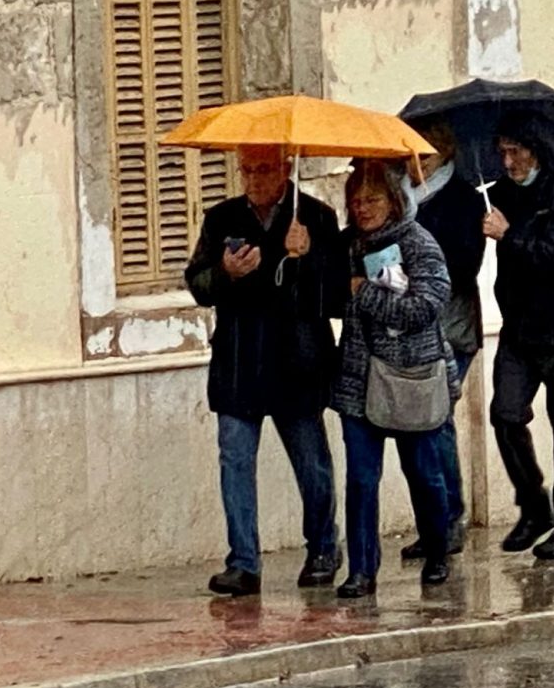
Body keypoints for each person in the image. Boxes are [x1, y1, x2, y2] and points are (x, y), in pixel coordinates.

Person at [185, 144, 344, 596]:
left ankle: (323, 548)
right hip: (239, 361)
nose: (253, 179)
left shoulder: (315, 215)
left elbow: (334, 296)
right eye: (246, 170)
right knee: (234, 459)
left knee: (311, 463)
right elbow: (197, 283)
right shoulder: (222, 219)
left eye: (263, 169)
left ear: (285, 167)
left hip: (296, 362)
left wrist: (308, 255)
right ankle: (244, 563)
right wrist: (225, 272)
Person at [332, 159, 460, 598]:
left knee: (424, 474)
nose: (362, 208)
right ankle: (362, 571)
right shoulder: (347, 245)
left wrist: (365, 293)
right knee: (362, 480)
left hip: (411, 377)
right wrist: (300, 255)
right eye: (355, 200)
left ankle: (439, 550)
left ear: (394, 200)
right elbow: (326, 297)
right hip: (358, 380)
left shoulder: (419, 244)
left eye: (372, 199)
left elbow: (423, 307)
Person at [481, 110, 554, 559]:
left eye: (516, 152)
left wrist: (508, 236)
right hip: (520, 328)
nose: (508, 162)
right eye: (503, 153)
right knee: (506, 414)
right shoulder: (503, 195)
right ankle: (534, 505)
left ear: (538, 150)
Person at [398, 117, 487, 560]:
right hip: (409, 326)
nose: (418, 162)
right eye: (412, 153)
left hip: (452, 327)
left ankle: (450, 518)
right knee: (418, 428)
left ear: (446, 153)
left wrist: (421, 251)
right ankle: (433, 522)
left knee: (436, 421)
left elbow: (466, 265)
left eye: (427, 153)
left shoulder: (466, 199)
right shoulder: (399, 198)